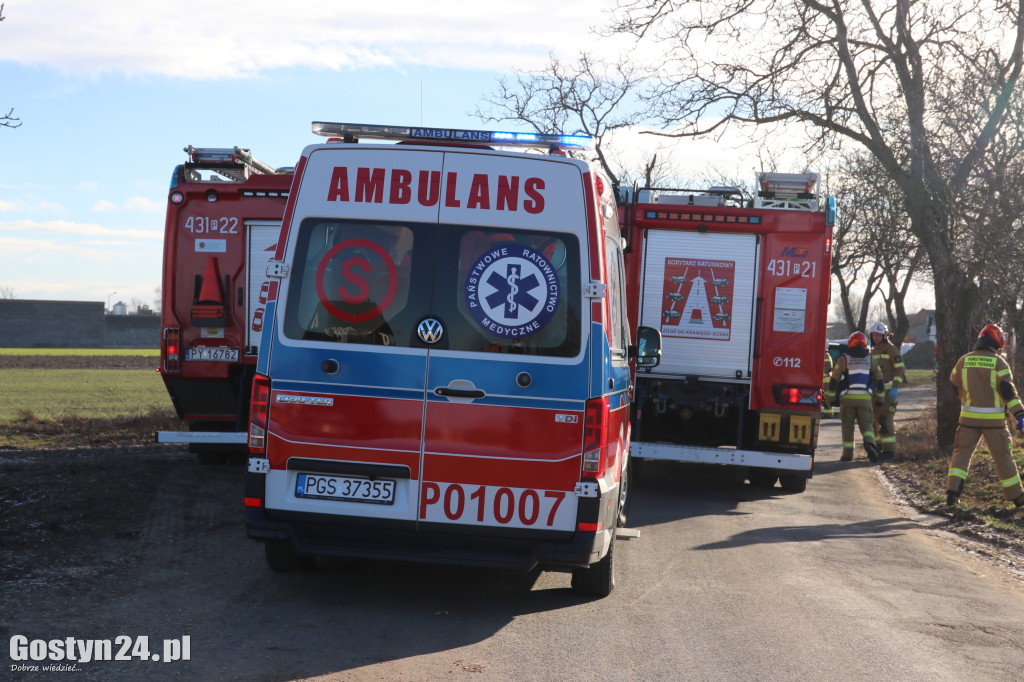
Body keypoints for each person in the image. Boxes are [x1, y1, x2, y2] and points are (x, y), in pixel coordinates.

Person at [945, 324, 1024, 508]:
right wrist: (1019, 414)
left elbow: (953, 385)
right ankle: (1017, 497)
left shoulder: (963, 360)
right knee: (1003, 457)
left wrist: (965, 397)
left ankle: (952, 493)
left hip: (967, 421)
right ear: (998, 342)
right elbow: (1008, 393)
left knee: (960, 456)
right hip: (994, 423)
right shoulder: (999, 363)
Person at [829, 331, 884, 462]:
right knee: (867, 425)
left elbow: (833, 381)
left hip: (847, 399)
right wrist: (880, 400)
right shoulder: (871, 359)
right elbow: (880, 382)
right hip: (865, 399)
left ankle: (847, 454)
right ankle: (870, 444)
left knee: (847, 426)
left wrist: (832, 399)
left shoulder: (843, 358)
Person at [869, 322, 907, 459]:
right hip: (876, 392)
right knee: (875, 421)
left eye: (878, 335)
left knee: (885, 419)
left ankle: (889, 451)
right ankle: (878, 447)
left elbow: (900, 368)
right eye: (874, 335)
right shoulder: (873, 351)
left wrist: (895, 387)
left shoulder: (891, 349)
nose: (876, 338)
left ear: (884, 336)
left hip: (889, 391)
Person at [822, 347, 835, 418]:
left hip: (826, 380)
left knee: (826, 398)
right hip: (825, 380)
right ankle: (827, 413)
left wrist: (821, 373)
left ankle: (828, 414)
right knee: (825, 398)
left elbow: (827, 367)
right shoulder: (825, 355)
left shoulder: (826, 355)